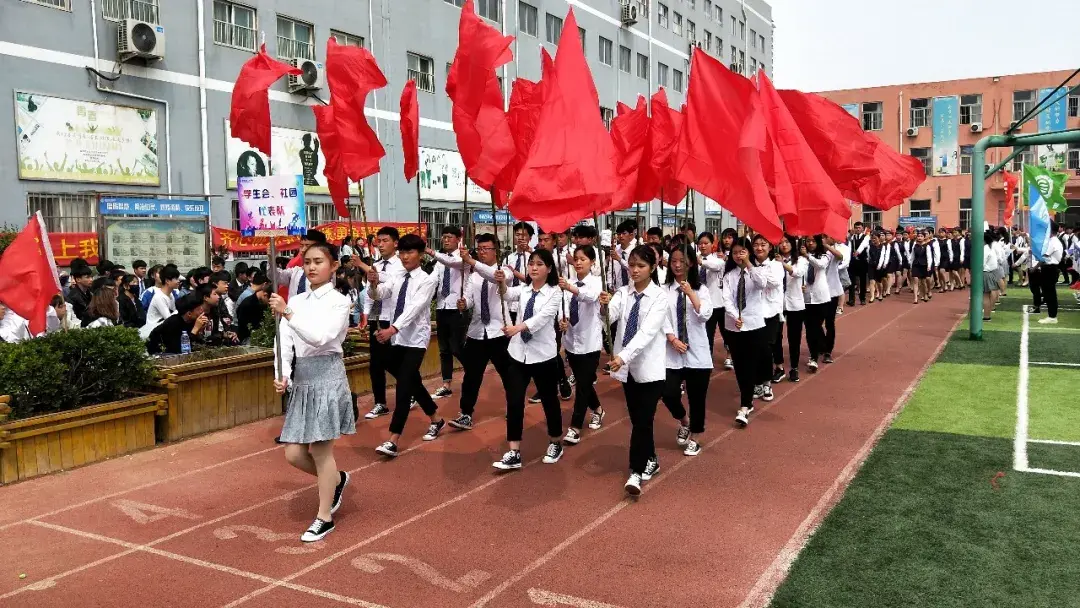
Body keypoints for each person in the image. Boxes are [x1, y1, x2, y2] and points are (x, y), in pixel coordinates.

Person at [267, 241, 354, 543]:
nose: (312, 267)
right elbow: (284, 342)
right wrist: (283, 374)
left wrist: (288, 312)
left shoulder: (339, 302)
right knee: (293, 454)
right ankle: (337, 479)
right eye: (307, 262)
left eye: (318, 261)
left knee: (320, 450)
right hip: (302, 379)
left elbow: (320, 338)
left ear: (333, 266)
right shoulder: (297, 300)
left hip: (328, 376)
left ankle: (324, 517)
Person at [367, 234, 447, 458]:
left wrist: (392, 329)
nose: (404, 257)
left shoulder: (427, 280)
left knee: (404, 384)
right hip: (398, 338)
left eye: (409, 252)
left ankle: (393, 439)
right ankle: (436, 419)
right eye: (402, 252)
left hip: (415, 340)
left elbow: (414, 308)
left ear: (420, 255)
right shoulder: (396, 275)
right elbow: (380, 294)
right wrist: (373, 284)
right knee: (411, 380)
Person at [599, 245, 668, 495]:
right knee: (639, 420)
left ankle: (635, 472)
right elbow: (609, 317)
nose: (635, 270)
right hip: (627, 369)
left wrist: (623, 357)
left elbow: (647, 333)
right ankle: (652, 459)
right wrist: (604, 306)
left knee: (642, 421)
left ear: (652, 267)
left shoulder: (659, 297)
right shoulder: (622, 293)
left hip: (649, 368)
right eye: (632, 265)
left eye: (641, 266)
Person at [492, 248, 565, 471]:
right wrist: (502, 283)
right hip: (518, 353)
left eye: (539, 264)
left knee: (549, 400)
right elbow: (506, 294)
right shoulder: (524, 289)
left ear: (549, 268)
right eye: (531, 263)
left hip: (543, 355)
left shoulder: (555, 292)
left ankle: (555, 441)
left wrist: (518, 328)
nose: (534, 267)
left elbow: (542, 319)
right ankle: (514, 451)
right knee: (514, 401)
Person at [451, 234, 515, 431]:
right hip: (477, 332)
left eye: (486, 249)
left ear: (496, 251)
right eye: (479, 249)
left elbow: (494, 277)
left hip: (500, 332)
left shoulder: (504, 271)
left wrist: (471, 261)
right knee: (471, 375)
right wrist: (464, 303)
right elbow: (469, 298)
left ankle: (514, 407)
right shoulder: (474, 275)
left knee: (508, 374)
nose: (482, 252)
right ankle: (466, 413)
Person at [659, 245, 712, 457]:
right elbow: (661, 318)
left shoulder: (702, 290)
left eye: (682, 260)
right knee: (667, 392)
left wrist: (690, 293)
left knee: (697, 398)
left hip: (697, 352)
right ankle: (684, 420)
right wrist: (672, 338)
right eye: (673, 261)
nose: (678, 265)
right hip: (672, 351)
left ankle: (696, 436)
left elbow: (705, 315)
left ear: (691, 262)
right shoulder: (664, 290)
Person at [355, 227, 406, 420]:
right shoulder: (375, 265)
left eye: (385, 241)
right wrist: (365, 316)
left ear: (395, 243)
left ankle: (411, 388)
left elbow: (390, 281)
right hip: (376, 317)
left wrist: (364, 266)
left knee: (391, 360)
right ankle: (380, 402)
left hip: (393, 319)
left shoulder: (400, 265)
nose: (381, 244)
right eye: (379, 241)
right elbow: (370, 293)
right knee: (376, 363)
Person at [722, 237, 772, 428]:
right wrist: (735, 316)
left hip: (754, 325)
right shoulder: (729, 276)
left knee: (750, 364)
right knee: (740, 366)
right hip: (734, 326)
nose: (738, 256)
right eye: (735, 253)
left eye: (741, 252)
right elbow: (727, 299)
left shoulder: (757, 271)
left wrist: (749, 264)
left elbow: (761, 284)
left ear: (749, 252)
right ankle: (747, 398)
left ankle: (745, 404)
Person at [558, 244, 606, 445]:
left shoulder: (597, 282)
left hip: (590, 342)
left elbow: (589, 297)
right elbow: (562, 307)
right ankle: (598, 410)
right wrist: (562, 320)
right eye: (576, 259)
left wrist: (570, 288)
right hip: (571, 341)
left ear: (592, 262)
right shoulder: (567, 283)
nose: (578, 262)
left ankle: (575, 427)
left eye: (583, 259)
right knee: (582, 381)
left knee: (583, 385)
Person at [428, 226, 467, 400]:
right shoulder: (438, 262)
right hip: (442, 306)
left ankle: (473, 371)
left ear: (458, 239)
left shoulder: (463, 258)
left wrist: (431, 252)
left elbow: (452, 263)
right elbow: (432, 281)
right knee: (444, 349)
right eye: (443, 237)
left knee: (456, 347)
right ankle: (446, 384)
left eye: (450, 237)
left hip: (457, 307)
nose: (445, 240)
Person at [779, 236, 807, 383]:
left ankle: (794, 367)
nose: (783, 245)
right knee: (775, 336)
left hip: (795, 303)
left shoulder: (801, 260)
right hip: (777, 303)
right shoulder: (773, 260)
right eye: (781, 242)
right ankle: (778, 367)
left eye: (786, 242)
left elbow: (797, 273)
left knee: (794, 337)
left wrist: (782, 263)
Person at [1037, 221, 1064, 324]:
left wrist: (1035, 266)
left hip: (1050, 268)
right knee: (1048, 293)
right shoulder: (1053, 241)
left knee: (1050, 293)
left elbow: (1044, 256)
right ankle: (1051, 315)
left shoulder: (1053, 242)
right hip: (1049, 268)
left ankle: (1052, 316)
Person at [235, 280, 270, 344]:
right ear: (265, 295)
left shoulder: (259, 303)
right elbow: (242, 325)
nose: (269, 303)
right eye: (269, 301)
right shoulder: (247, 304)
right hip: (247, 338)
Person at [981, 229, 1002, 322]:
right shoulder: (990, 248)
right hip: (991, 272)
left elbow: (982, 263)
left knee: (986, 296)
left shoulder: (986, 249)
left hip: (986, 272)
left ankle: (986, 315)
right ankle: (987, 314)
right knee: (989, 294)